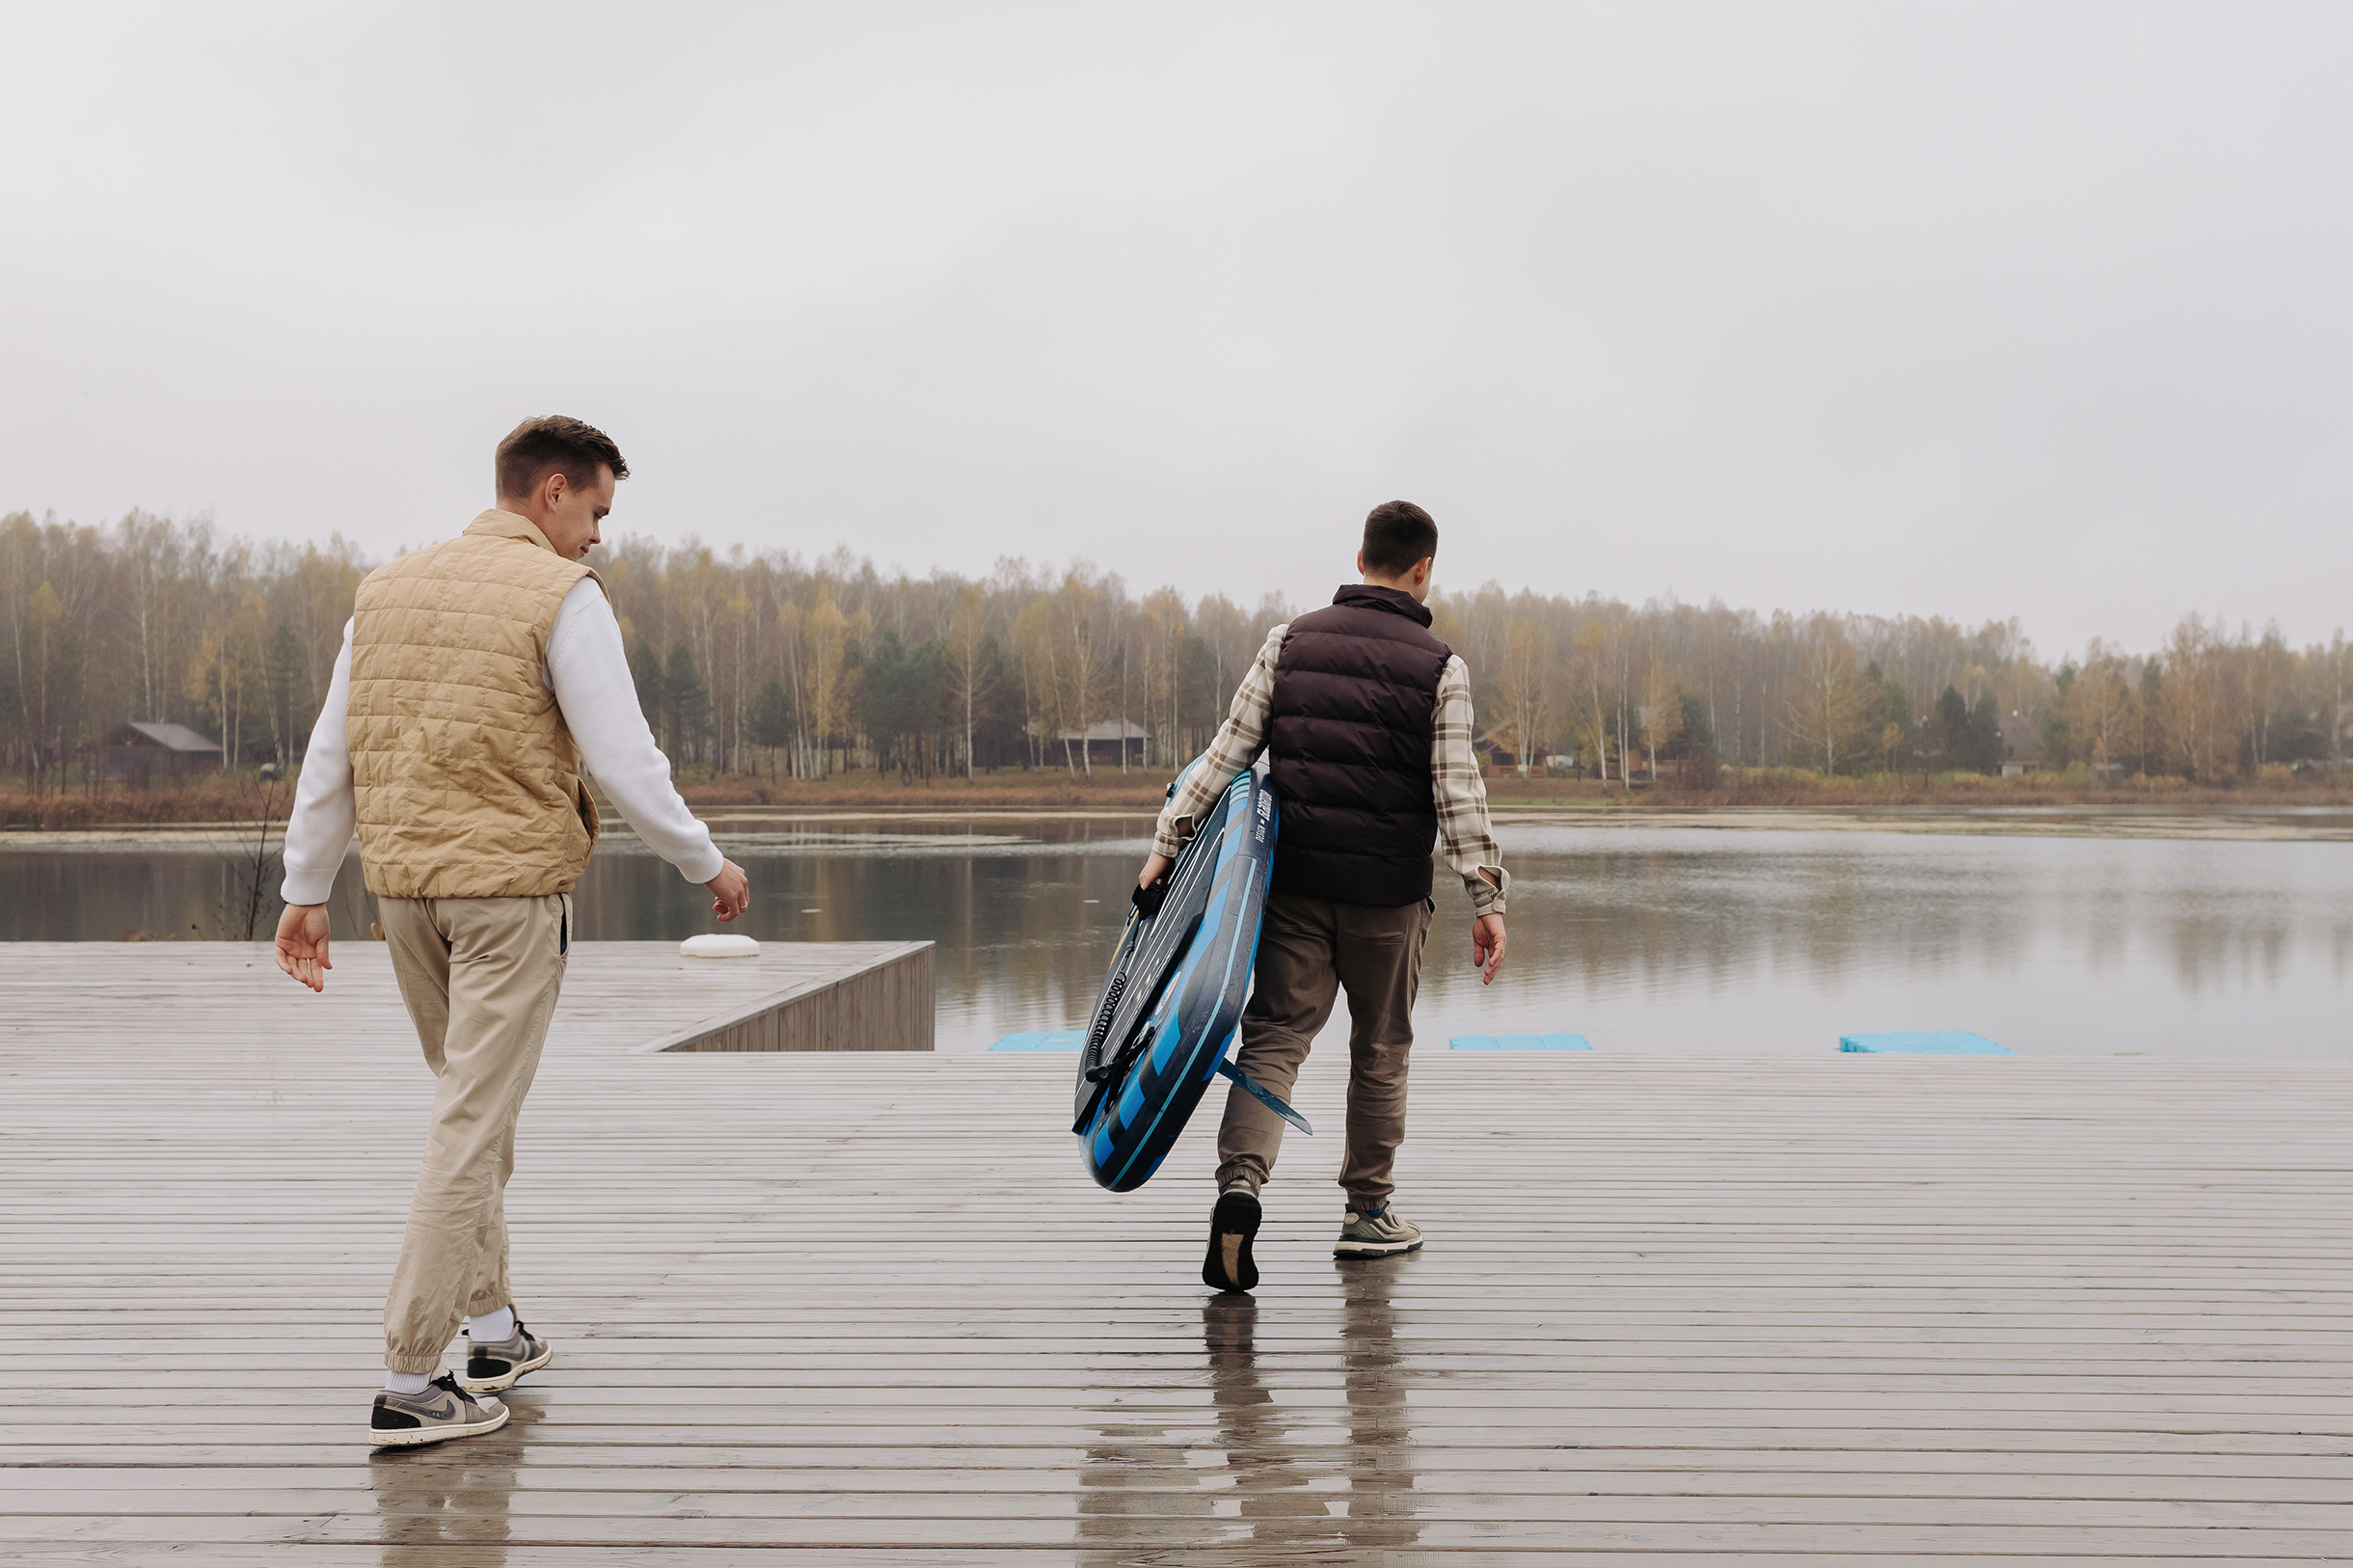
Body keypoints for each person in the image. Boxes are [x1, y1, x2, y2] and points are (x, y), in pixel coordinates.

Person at [270, 416, 750, 1446]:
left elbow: (331, 752)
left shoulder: (383, 592)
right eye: (598, 513)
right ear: (553, 492)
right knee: (470, 1126)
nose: (599, 539)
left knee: (468, 1110)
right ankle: (408, 1377)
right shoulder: (560, 597)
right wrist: (705, 862)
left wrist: (305, 888)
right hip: (508, 899)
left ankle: (492, 1333)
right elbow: (623, 756)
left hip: (406, 898)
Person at [1137, 500, 1509, 1294]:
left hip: (1294, 889)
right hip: (1388, 900)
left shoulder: (1289, 642)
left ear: (1361, 556)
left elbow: (1226, 756)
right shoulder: (1441, 667)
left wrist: (1167, 843)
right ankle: (1367, 1214)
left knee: (1274, 1037)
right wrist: (1487, 897)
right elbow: (1457, 794)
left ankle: (1241, 1185)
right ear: (1423, 570)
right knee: (1379, 1052)